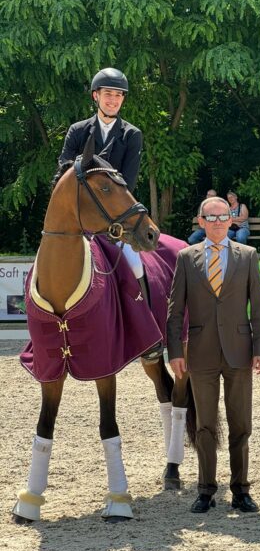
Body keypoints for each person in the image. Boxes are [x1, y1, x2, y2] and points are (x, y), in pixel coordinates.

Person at [167, 196, 260, 514]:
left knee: (241, 425)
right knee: (205, 426)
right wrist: (174, 351)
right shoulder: (186, 258)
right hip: (200, 354)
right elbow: (174, 310)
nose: (216, 222)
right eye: (209, 217)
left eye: (221, 216)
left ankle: (240, 490)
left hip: (240, 352)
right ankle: (205, 489)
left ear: (231, 220)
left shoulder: (248, 256)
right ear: (200, 222)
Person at [59, 67, 160, 361]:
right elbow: (63, 171)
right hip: (79, 217)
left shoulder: (131, 135)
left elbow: (127, 183)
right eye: (108, 94)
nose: (113, 100)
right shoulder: (78, 131)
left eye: (118, 96)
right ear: (96, 96)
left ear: (122, 100)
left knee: (137, 266)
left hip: (114, 220)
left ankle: (148, 332)